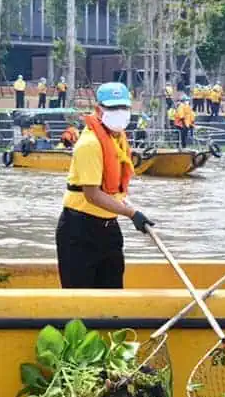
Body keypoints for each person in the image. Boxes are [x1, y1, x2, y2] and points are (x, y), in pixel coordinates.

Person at [56, 82, 154, 289]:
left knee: (113, 292)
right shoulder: (89, 144)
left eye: (123, 108)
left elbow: (112, 187)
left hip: (109, 228)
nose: (119, 113)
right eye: (112, 108)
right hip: (80, 230)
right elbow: (92, 195)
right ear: (99, 110)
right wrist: (132, 213)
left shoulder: (117, 138)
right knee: (80, 297)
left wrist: (123, 206)